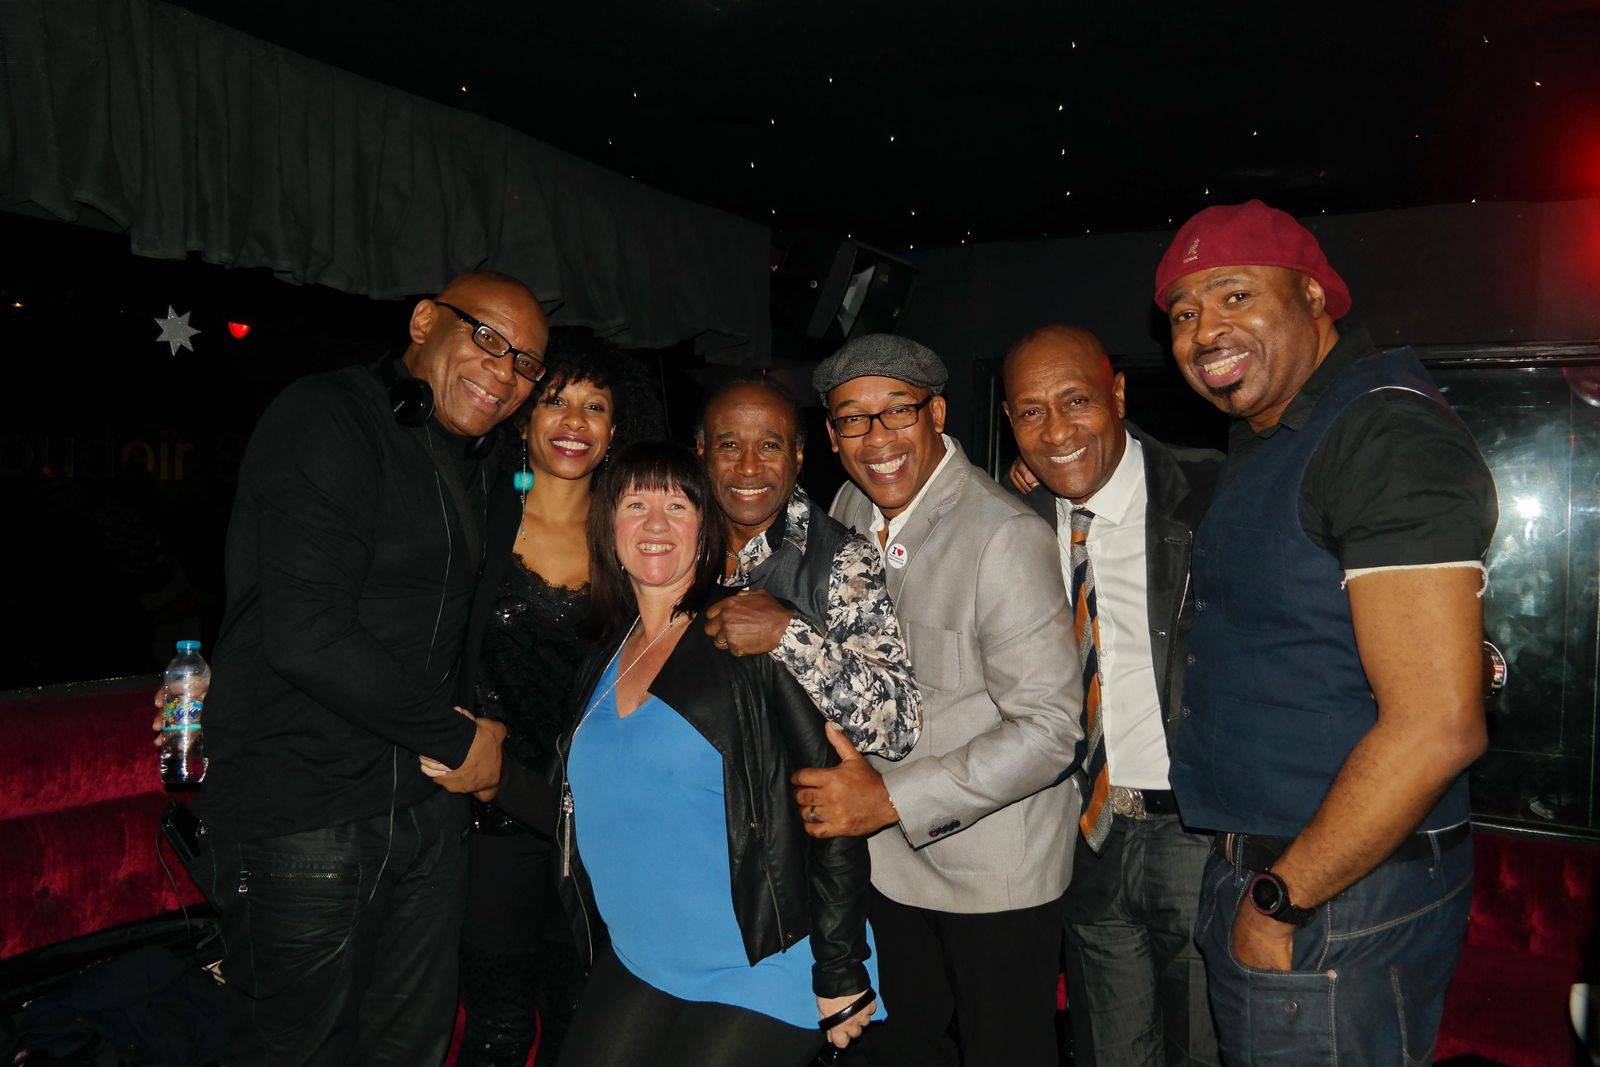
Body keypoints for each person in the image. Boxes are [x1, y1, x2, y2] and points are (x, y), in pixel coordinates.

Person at [1154, 200, 1497, 1064]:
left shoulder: (1381, 431)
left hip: (1336, 897)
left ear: (1313, 294)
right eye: (1184, 313)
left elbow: (1438, 725)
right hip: (1286, 876)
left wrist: (1280, 901)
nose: (1204, 330)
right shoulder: (1277, 438)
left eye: (1235, 295)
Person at [193, 271, 546, 1065]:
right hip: (306, 815)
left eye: (526, 362)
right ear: (423, 320)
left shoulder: (476, 464)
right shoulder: (328, 416)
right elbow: (307, 633)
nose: (504, 371)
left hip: (425, 814)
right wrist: (462, 742)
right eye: (487, 337)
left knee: (411, 1050)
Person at [466, 441, 880, 1067]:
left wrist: (841, 966)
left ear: (705, 528)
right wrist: (491, 774)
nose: (655, 524)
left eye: (678, 506)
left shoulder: (749, 635)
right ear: (609, 528)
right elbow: (581, 810)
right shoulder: (603, 653)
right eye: (635, 504)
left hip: (763, 958)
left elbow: (834, 810)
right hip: (643, 953)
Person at [792, 334, 1084, 1067]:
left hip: (993, 876)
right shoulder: (848, 505)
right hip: (885, 865)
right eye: (852, 419)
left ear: (938, 414)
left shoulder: (1002, 535)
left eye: (897, 411)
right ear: (831, 434)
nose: (877, 438)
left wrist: (890, 801)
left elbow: (1051, 732)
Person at [1004, 324, 1224, 1067]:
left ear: (1118, 394)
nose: (1056, 431)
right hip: (1085, 832)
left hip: (1197, 834)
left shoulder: (1211, 495)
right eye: (1031, 412)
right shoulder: (1016, 521)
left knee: (1206, 1049)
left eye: (1076, 401)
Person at [454, 329, 661, 1067]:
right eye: (555, 400)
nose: (574, 421)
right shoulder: (476, 513)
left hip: (595, 822)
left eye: (594, 406)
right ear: (522, 418)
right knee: (499, 1029)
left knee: (580, 1024)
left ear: (615, 429)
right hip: (489, 812)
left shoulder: (632, 534)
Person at [693, 376, 921, 759]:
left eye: (769, 446)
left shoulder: (843, 559)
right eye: (729, 445)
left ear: (797, 456)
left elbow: (898, 724)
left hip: (785, 791)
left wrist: (788, 634)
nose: (748, 467)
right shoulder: (675, 541)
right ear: (702, 451)